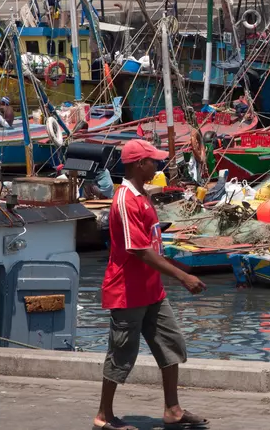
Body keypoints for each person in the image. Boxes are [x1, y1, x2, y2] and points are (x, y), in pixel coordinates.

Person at [94, 139, 208, 430]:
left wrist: (180, 268)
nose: (156, 165)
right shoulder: (125, 199)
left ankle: (173, 409)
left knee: (171, 345)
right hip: (127, 292)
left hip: (152, 290)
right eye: (152, 161)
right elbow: (139, 250)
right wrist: (182, 277)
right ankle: (103, 416)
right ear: (137, 164)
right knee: (121, 354)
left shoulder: (143, 195)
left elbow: (153, 245)